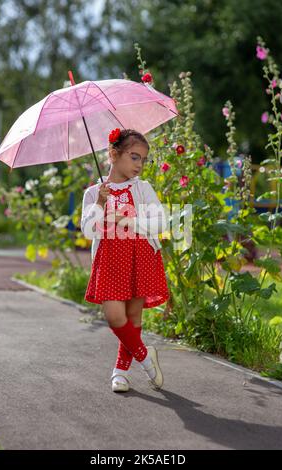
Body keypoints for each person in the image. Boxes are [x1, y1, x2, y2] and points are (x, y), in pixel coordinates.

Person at [81, 128, 170, 393]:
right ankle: (145, 357)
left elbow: (161, 222)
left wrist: (127, 220)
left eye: (143, 159)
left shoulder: (142, 189)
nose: (140, 165)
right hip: (109, 261)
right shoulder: (94, 193)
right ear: (113, 154)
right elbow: (87, 230)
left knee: (132, 315)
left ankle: (120, 371)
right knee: (114, 315)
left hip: (140, 256)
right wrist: (99, 203)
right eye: (134, 157)